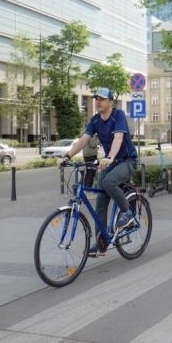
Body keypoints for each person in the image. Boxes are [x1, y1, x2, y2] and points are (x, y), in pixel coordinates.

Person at [61, 88, 138, 257]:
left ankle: (127, 212)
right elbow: (83, 140)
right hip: (109, 162)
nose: (98, 101)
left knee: (108, 182)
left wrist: (109, 156)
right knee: (100, 203)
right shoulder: (95, 120)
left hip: (127, 161)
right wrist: (68, 156)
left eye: (102, 99)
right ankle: (102, 243)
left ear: (111, 102)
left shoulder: (118, 116)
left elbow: (118, 138)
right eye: (96, 98)